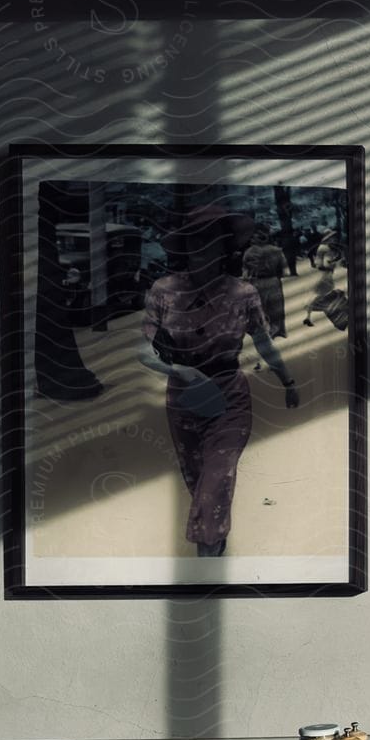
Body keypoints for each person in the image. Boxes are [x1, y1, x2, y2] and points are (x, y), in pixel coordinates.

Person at [140, 205, 299, 558]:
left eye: (211, 240)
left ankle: (207, 557)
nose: (202, 248)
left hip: (229, 396)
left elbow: (263, 342)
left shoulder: (243, 293)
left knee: (217, 478)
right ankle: (214, 537)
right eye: (195, 240)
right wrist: (178, 371)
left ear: (224, 247)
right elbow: (144, 351)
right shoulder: (163, 291)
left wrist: (288, 381)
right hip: (183, 397)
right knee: (198, 480)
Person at [241, 224, 289, 338]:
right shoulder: (277, 251)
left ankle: (261, 330)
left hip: (256, 282)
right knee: (276, 306)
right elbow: (284, 272)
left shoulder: (248, 252)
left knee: (260, 307)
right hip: (273, 281)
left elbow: (245, 273)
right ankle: (278, 330)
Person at [302, 238, 349, 330]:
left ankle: (308, 316)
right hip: (327, 275)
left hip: (323, 274)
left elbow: (317, 261)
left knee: (318, 295)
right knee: (323, 295)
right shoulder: (327, 249)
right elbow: (327, 264)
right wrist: (334, 262)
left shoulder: (321, 248)